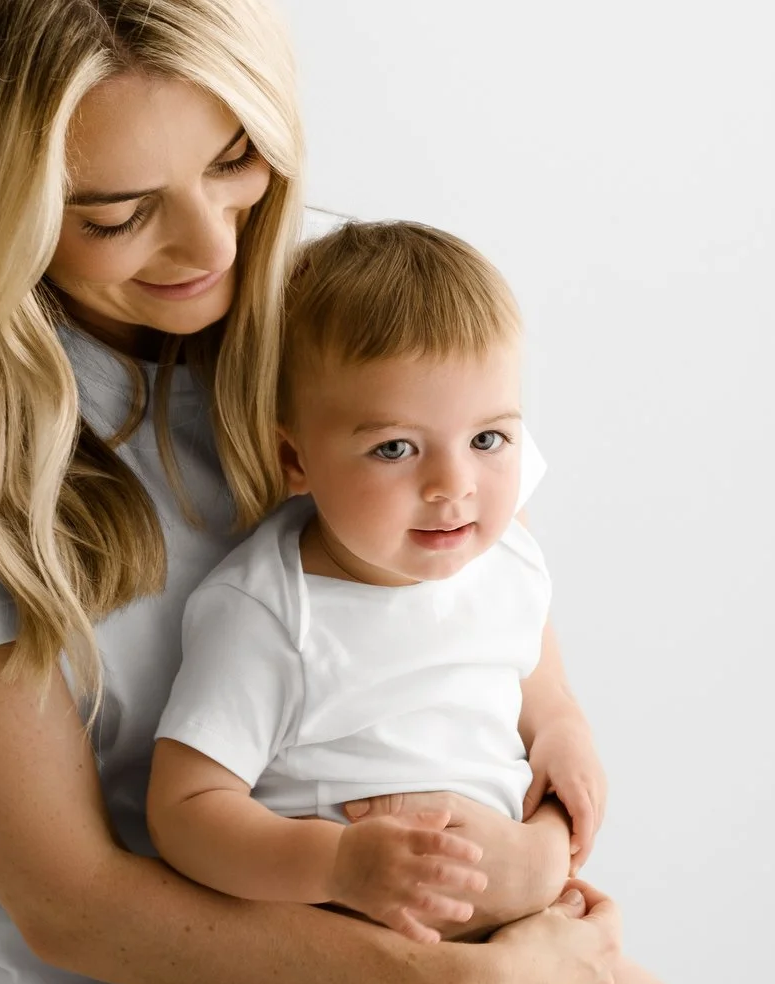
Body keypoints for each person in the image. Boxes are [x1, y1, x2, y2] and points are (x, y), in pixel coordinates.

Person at [0, 1, 679, 984]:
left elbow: (487, 585)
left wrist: (544, 849)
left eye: (235, 159)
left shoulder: (331, 315)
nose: (211, 245)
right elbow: (72, 905)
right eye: (118, 214)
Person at [148, 220, 596, 946]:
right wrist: (335, 865)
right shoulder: (271, 611)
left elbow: (534, 677)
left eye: (488, 440)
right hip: (362, 949)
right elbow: (185, 810)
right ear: (295, 460)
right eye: (395, 448)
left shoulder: (508, 553)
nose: (453, 486)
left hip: (517, 929)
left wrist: (562, 733)